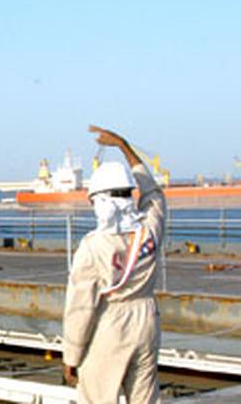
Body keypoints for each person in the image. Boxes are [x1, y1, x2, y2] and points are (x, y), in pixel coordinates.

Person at [62, 125, 167, 403]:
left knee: (97, 397)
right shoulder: (149, 231)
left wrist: (71, 356)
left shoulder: (93, 246)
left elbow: (80, 307)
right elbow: (154, 193)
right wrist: (124, 146)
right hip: (147, 319)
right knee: (145, 397)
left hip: (111, 323)